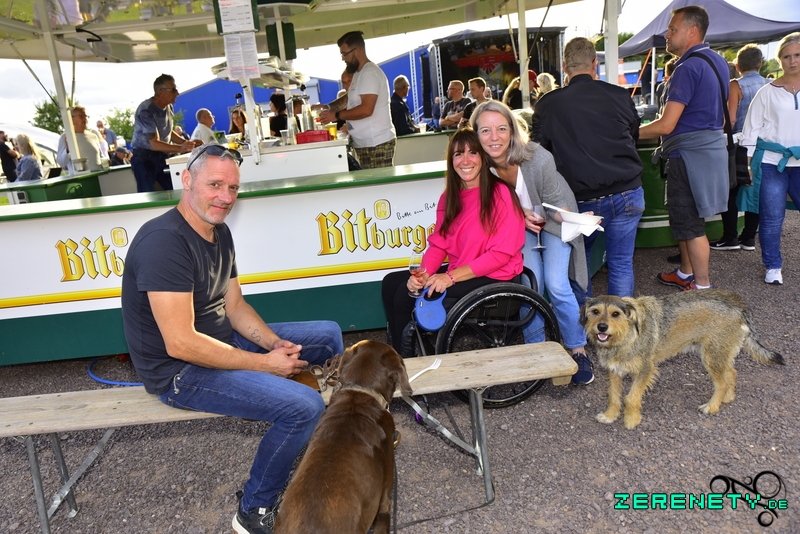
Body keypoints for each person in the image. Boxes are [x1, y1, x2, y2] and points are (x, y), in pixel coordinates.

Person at [121, 144, 344, 534]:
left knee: (328, 335)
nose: (225, 197)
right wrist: (264, 365)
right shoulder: (163, 242)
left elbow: (235, 305)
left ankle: (338, 437)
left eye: (233, 188)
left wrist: (273, 344)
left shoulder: (217, 231)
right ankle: (254, 509)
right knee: (303, 406)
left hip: (221, 341)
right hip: (179, 371)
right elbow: (180, 343)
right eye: (215, 185)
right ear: (186, 180)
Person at [472, 100, 593, 385]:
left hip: (554, 219)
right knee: (530, 284)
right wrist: (518, 217)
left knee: (557, 284)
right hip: (517, 225)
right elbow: (485, 212)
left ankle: (578, 349)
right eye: (485, 130)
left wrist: (575, 219)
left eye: (502, 128)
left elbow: (555, 206)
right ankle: (535, 352)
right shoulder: (477, 168)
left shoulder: (538, 158)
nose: (494, 137)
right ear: (475, 134)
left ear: (513, 130)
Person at [381, 128, 524, 357]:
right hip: (465, 271)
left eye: (472, 153)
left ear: (483, 157)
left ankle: (403, 363)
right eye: (458, 154)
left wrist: (449, 277)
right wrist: (424, 275)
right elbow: (439, 245)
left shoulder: (500, 194)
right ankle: (395, 356)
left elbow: (500, 255)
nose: (465, 161)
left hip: (496, 275)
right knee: (391, 283)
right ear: (451, 160)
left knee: (405, 297)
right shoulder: (449, 197)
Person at [532, 37, 644, 300]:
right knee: (621, 263)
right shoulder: (619, 95)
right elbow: (633, 136)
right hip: (627, 192)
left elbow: (539, 152)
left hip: (579, 200)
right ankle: (620, 325)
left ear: (564, 66)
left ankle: (583, 324)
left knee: (579, 267)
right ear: (594, 63)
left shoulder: (548, 103)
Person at [639, 5, 730, 291]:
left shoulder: (687, 67)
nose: (667, 34)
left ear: (692, 31)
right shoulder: (717, 61)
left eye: (672, 29)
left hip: (688, 156)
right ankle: (685, 273)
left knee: (689, 224)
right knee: (688, 219)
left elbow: (666, 125)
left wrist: (626, 133)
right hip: (707, 153)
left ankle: (702, 288)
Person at [740, 32, 800, 285]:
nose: (792, 61)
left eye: (797, 55)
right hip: (772, 163)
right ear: (779, 60)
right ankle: (773, 265)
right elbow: (751, 128)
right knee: (772, 217)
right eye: (786, 56)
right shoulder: (766, 92)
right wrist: (747, 164)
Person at [710, 44, 768, 252]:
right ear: (760, 63)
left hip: (740, 145)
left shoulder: (735, 85)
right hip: (763, 146)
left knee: (731, 189)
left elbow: (731, 119)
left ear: (737, 66)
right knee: (756, 189)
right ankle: (749, 237)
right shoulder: (770, 84)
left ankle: (730, 237)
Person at [317, 31, 396, 169]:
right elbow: (349, 98)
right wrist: (327, 107)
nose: (343, 58)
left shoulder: (369, 73)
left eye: (345, 54)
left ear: (358, 50)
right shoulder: (359, 73)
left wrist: (336, 115)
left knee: (377, 183)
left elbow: (366, 110)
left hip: (376, 144)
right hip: (367, 144)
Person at [131, 74, 198, 192]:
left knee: (177, 190)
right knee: (147, 195)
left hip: (162, 156)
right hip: (144, 158)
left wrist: (188, 144)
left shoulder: (169, 107)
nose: (177, 93)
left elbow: (168, 131)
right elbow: (154, 143)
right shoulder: (146, 110)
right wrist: (180, 148)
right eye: (173, 90)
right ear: (161, 92)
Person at [56, 106, 105, 174]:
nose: (85, 119)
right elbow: (61, 163)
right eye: (81, 116)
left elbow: (101, 157)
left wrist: (106, 162)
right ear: (72, 119)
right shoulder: (66, 137)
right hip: (80, 178)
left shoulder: (93, 136)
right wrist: (67, 150)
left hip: (98, 176)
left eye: (86, 116)